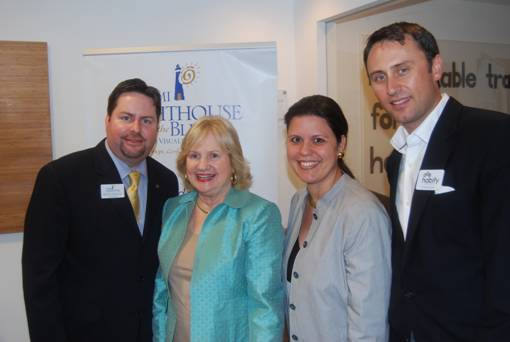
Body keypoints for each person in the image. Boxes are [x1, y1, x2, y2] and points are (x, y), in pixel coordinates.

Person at [364, 22, 510, 341]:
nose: (391, 87)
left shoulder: (493, 137)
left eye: (402, 70)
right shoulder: (396, 159)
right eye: (379, 77)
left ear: (436, 67)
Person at [22, 78, 179, 342]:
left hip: (150, 333)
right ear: (107, 120)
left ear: (157, 127)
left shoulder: (166, 182)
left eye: (147, 121)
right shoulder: (62, 178)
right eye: (126, 117)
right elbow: (39, 276)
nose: (136, 129)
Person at [152, 116, 284, 341]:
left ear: (233, 161)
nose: (203, 165)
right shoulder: (174, 209)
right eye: (194, 155)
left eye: (214, 155)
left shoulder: (258, 214)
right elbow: (162, 292)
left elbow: (265, 306)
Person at [283, 95, 391, 341]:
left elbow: (369, 325)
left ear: (341, 144)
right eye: (295, 140)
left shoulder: (362, 213)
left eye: (318, 140)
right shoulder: (298, 202)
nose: (304, 151)